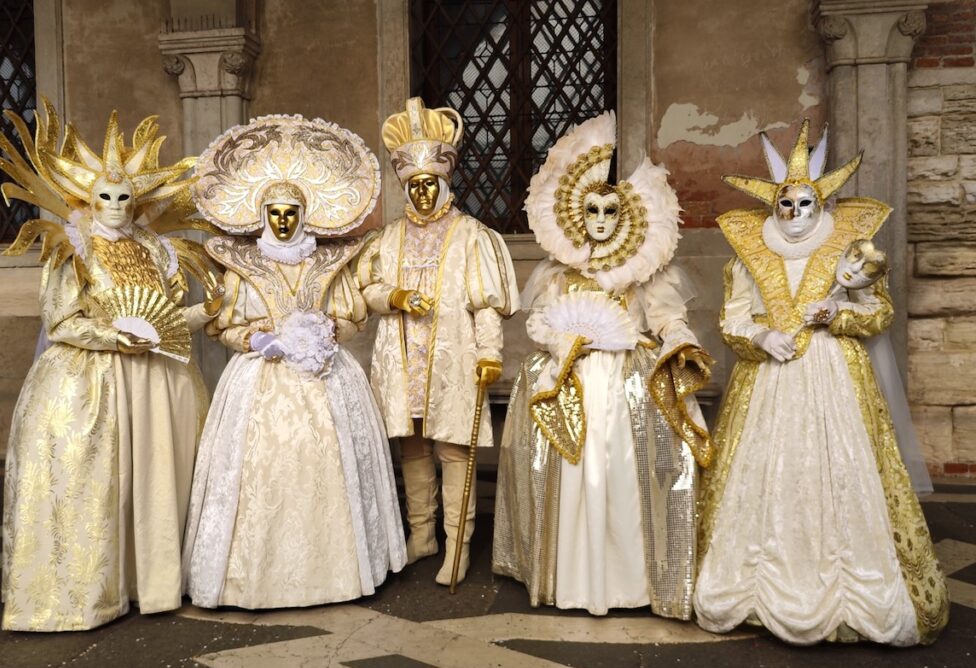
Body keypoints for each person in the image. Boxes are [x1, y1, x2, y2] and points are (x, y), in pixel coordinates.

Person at [694, 120, 949, 645]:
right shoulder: (749, 256)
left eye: (804, 204)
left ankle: (849, 589)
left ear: (821, 205)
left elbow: (878, 312)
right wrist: (761, 339)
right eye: (784, 205)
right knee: (765, 477)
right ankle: (756, 589)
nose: (793, 214)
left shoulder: (849, 251)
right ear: (771, 208)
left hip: (835, 379)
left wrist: (838, 313)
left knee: (839, 474)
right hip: (767, 383)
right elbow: (732, 319)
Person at [0, 101, 220, 631]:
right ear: (87, 199)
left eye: (125, 197)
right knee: (97, 482)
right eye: (106, 197)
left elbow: (165, 315)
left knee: (158, 479)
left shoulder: (157, 248)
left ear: (137, 200)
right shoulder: (71, 249)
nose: (117, 205)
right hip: (90, 379)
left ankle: (153, 583)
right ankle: (89, 593)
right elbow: (60, 320)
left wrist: (204, 310)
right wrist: (115, 337)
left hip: (159, 382)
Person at [492, 112, 714, 618]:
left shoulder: (646, 274)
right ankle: (569, 576)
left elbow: (667, 318)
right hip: (569, 376)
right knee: (572, 474)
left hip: (627, 383)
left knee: (623, 474)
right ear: (576, 214)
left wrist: (680, 344)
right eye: (591, 210)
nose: (600, 220)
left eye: (610, 211)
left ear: (626, 217)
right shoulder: (556, 274)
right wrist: (564, 342)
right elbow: (540, 325)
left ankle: (629, 579)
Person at [182, 114, 406, 608]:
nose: (283, 222)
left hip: (326, 375)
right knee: (259, 474)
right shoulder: (239, 266)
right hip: (259, 382)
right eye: (274, 213)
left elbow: (353, 316)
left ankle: (337, 571)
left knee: (329, 469)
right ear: (262, 216)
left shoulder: (330, 262)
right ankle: (251, 577)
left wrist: (326, 333)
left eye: (291, 213)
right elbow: (222, 325)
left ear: (305, 215)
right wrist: (256, 340)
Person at [357, 98, 519, 585]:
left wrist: (491, 354)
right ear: (405, 187)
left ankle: (458, 545)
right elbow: (365, 289)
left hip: (454, 356)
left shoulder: (471, 235)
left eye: (431, 183)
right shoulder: (386, 238)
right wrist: (397, 295)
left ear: (445, 182)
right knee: (412, 445)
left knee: (454, 448)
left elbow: (486, 302)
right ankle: (422, 535)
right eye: (414, 185)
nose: (423, 193)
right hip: (402, 356)